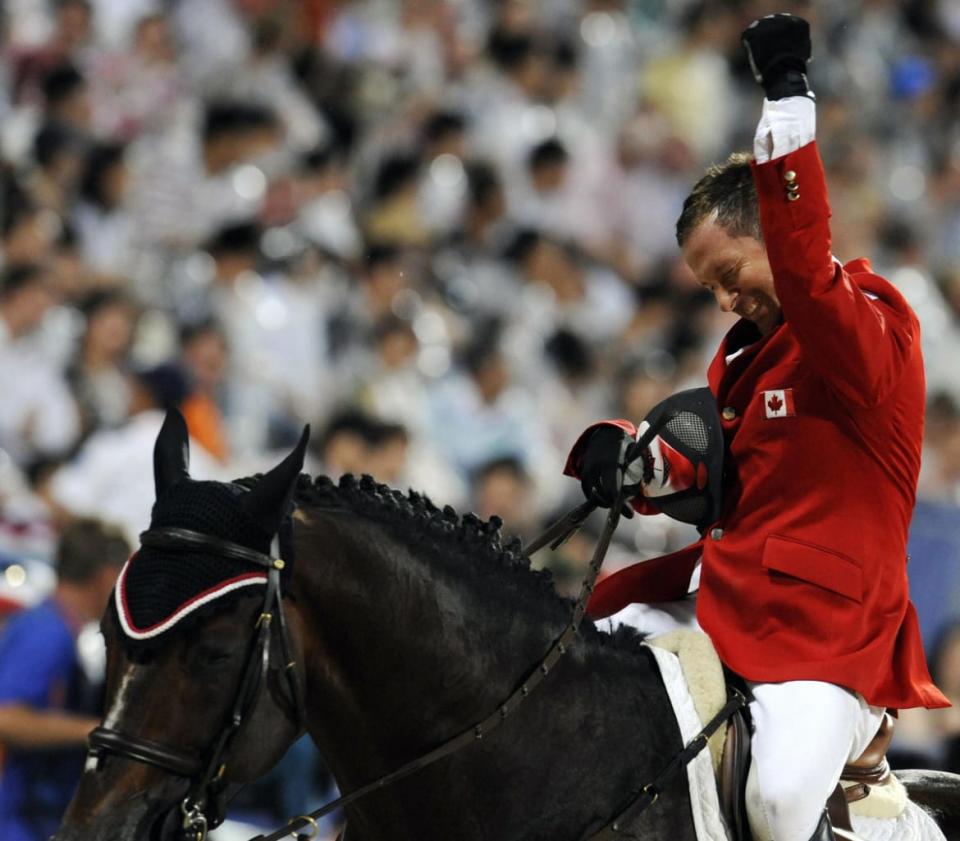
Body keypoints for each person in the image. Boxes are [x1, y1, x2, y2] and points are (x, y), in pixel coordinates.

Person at [564, 15, 948, 841]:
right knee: (566, 665)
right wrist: (630, 460)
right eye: (710, 287)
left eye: (729, 275)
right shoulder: (739, 361)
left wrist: (787, 98)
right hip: (725, 597)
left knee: (775, 805)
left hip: (830, 639)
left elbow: (808, 270)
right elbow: (710, 471)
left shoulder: (872, 331)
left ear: (772, 232)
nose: (725, 300)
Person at [0, 518, 130, 841]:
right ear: (106, 576)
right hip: (17, 822)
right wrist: (97, 731)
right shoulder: (48, 633)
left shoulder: (53, 626)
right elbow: (7, 719)